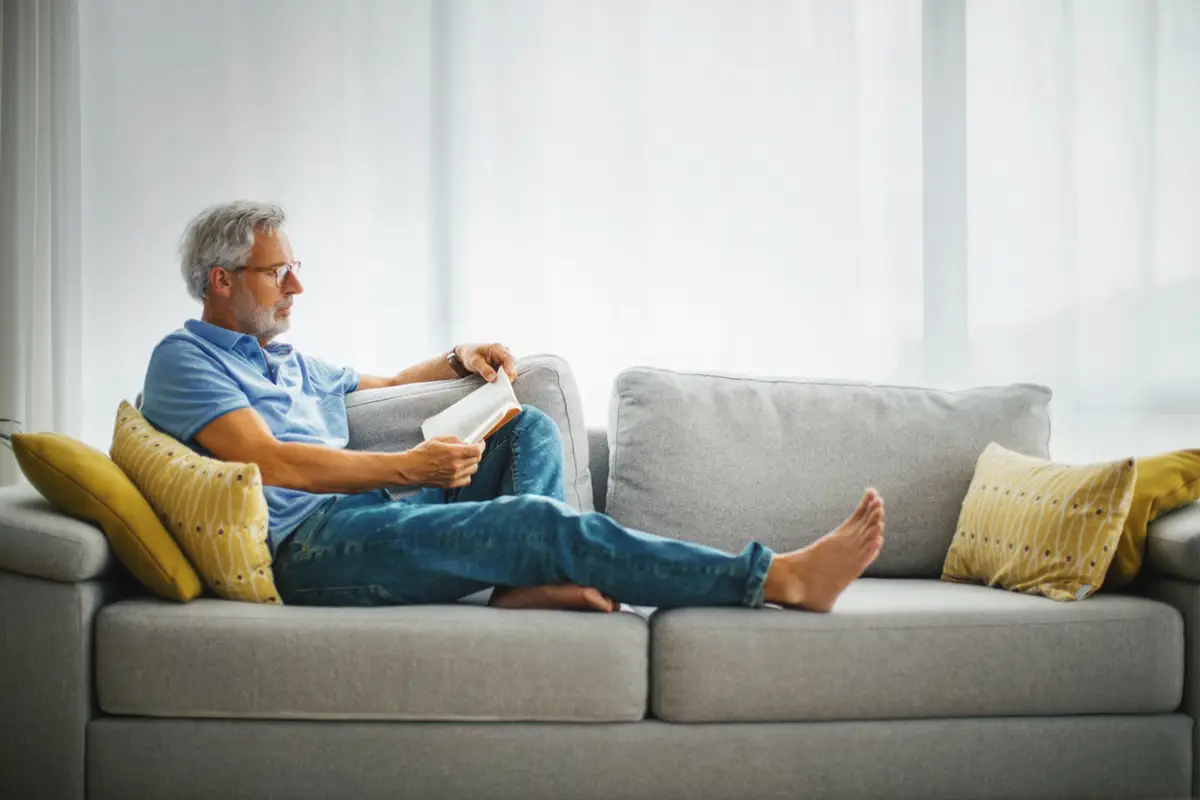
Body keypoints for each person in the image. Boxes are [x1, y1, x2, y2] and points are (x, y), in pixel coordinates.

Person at [140, 201, 886, 614]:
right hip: (311, 549)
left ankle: (525, 583)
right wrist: (408, 466)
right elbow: (268, 461)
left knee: (525, 425)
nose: (296, 287)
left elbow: (386, 381)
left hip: (372, 513)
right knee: (536, 523)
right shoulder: (185, 360)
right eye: (278, 273)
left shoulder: (285, 359)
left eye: (295, 269)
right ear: (221, 280)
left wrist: (457, 356)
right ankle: (776, 579)